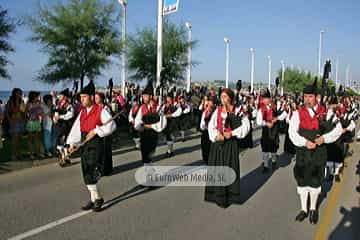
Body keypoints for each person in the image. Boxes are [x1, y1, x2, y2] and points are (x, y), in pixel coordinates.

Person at [289, 79, 342, 224]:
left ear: (316, 97)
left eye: (310, 96)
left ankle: (313, 209)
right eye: (305, 96)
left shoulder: (326, 112)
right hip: (303, 153)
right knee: (302, 180)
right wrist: (304, 142)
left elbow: (337, 130)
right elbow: (292, 133)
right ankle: (303, 209)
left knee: (315, 181)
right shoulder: (297, 114)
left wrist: (324, 138)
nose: (307, 99)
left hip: (319, 153)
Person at [67, 81, 116, 212]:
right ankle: (94, 198)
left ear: (91, 97)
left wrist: (96, 131)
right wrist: (72, 144)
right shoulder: (82, 112)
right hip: (84, 145)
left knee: (90, 170)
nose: (81, 99)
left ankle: (98, 198)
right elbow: (76, 130)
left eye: (84, 97)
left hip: (95, 146)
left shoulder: (101, 110)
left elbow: (112, 125)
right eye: (80, 97)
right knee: (85, 171)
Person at [204, 88, 250, 208]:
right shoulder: (218, 111)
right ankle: (218, 197)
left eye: (225, 96)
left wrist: (232, 133)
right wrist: (216, 136)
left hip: (231, 145)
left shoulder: (239, 110)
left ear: (230, 98)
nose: (223, 99)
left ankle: (229, 197)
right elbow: (211, 126)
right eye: (221, 96)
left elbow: (246, 127)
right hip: (218, 144)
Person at [134, 84, 166, 175]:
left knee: (148, 157)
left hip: (153, 135)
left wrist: (150, 126)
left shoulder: (158, 108)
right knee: (145, 157)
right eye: (143, 96)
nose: (143, 98)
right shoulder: (142, 107)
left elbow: (161, 125)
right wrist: (140, 127)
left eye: (145, 96)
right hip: (143, 134)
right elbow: (137, 122)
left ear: (151, 96)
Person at [256, 88, 287, 173]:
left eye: (266, 98)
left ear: (270, 98)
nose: (264, 100)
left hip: (275, 130)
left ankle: (273, 162)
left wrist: (277, 118)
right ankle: (266, 166)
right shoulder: (261, 109)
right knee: (265, 150)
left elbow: (285, 113)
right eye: (263, 98)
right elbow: (258, 121)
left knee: (274, 149)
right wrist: (266, 123)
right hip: (266, 131)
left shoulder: (276, 105)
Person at [53, 88, 74, 166]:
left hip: (66, 125)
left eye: (61, 95)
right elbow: (56, 112)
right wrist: (55, 118)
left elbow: (70, 115)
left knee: (65, 141)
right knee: (60, 141)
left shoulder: (69, 105)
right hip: (59, 125)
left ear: (64, 97)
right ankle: (63, 157)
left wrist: (60, 117)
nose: (59, 97)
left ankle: (65, 157)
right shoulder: (58, 104)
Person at [95, 92, 114, 176]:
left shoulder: (106, 108)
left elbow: (108, 121)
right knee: (99, 151)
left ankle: (107, 169)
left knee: (106, 151)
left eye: (97, 98)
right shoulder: (95, 108)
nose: (95, 100)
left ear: (101, 99)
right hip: (98, 131)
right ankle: (99, 169)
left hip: (106, 132)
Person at [5, 88, 26, 161]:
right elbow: (7, 112)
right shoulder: (10, 101)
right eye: (18, 93)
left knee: (19, 139)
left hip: (21, 122)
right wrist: (10, 120)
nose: (19, 94)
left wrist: (24, 119)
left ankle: (18, 154)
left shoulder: (21, 101)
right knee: (14, 140)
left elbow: (24, 111)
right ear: (14, 93)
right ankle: (13, 155)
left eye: (20, 93)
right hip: (14, 122)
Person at [25, 91, 44, 159]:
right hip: (31, 122)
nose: (38, 97)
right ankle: (31, 153)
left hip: (36, 122)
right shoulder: (29, 103)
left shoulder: (38, 103)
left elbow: (41, 112)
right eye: (37, 96)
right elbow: (26, 113)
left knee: (37, 138)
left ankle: (37, 153)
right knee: (30, 139)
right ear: (34, 96)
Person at [199, 95, 217, 165]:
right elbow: (201, 126)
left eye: (211, 104)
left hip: (212, 133)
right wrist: (205, 124)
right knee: (204, 148)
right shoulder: (205, 112)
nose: (209, 106)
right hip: (205, 132)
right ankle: (206, 161)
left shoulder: (216, 113)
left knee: (211, 149)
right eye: (208, 104)